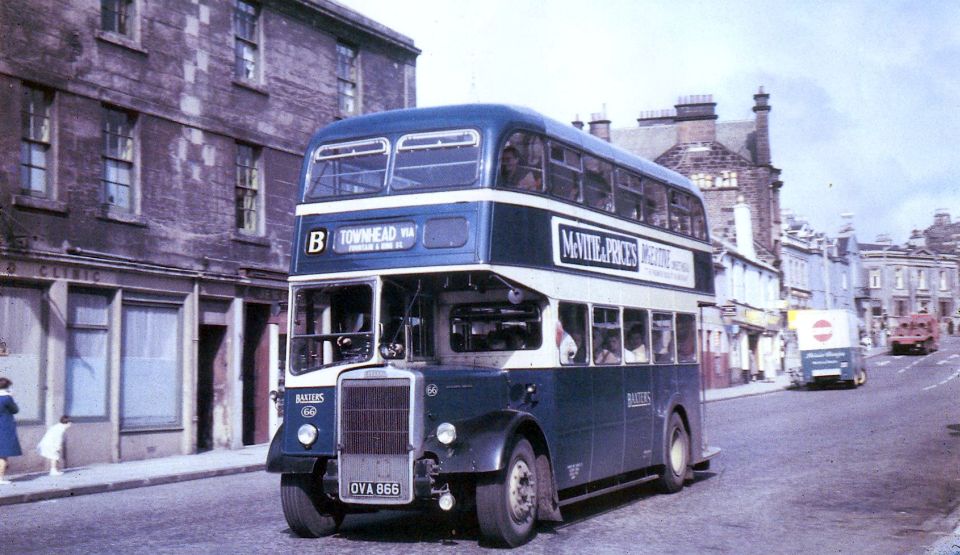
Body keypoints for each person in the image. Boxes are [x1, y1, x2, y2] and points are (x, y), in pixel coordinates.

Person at [0, 377, 22, 485]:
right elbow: (15, 410)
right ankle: (0, 478)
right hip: (4, 427)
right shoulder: (7, 398)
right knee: (3, 454)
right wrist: (12, 397)